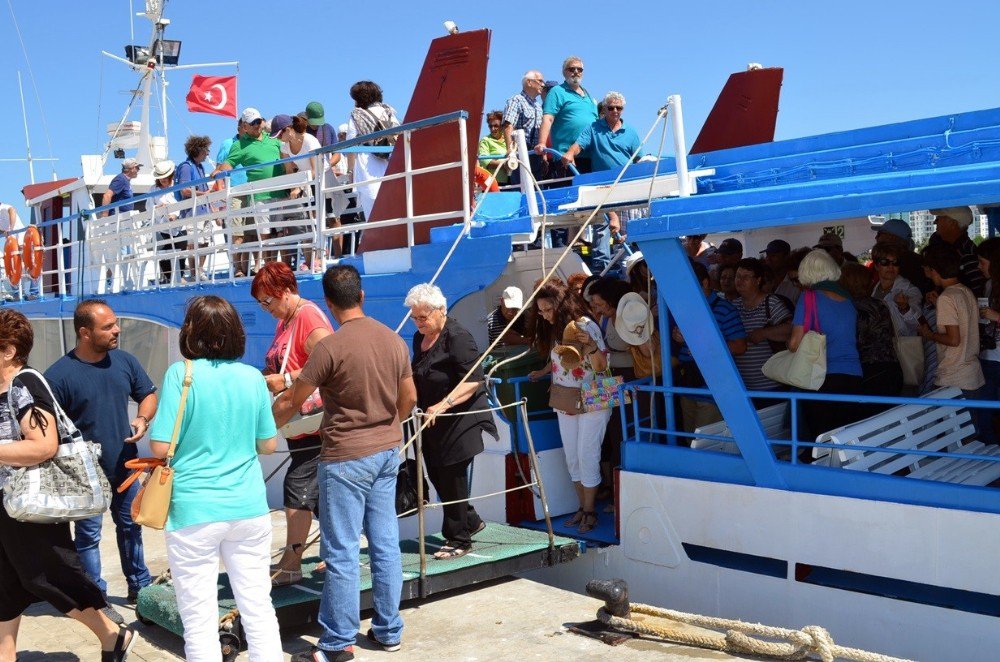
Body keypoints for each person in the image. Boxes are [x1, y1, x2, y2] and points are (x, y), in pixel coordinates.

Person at [274, 265, 415, 662]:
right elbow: (409, 400)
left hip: (344, 457)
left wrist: (262, 432)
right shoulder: (392, 340)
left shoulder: (330, 348)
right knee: (385, 544)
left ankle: (336, 643)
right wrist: (386, 425)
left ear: (330, 304)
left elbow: (292, 402)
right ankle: (388, 630)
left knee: (341, 552)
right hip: (387, 451)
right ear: (362, 296)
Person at [148, 296, 281, 661]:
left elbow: (160, 446)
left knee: (198, 616)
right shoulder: (253, 377)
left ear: (190, 332)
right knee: (257, 605)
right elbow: (268, 444)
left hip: (194, 508)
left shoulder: (182, 374)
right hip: (249, 506)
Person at [0, 310, 136, 662]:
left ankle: (112, 635)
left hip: (29, 505)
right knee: (6, 583)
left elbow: (43, 445)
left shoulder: (25, 384)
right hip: (6, 504)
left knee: (48, 576)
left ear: (9, 350)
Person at [45, 300, 158, 607]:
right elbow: (49, 433)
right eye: (108, 326)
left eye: (115, 323)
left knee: (132, 527)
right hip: (83, 476)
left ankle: (140, 587)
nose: (117, 329)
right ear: (84, 333)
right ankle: (97, 599)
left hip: (125, 466)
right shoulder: (58, 377)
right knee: (88, 538)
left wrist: (142, 419)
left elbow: (147, 394)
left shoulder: (125, 361)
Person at [253, 261, 333, 585]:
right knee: (320, 493)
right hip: (298, 421)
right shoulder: (286, 320)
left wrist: (284, 377)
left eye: (267, 301)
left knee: (297, 485)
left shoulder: (308, 316)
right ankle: (335, 555)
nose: (265, 309)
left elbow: (331, 360)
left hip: (316, 421)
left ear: (284, 291)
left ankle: (291, 563)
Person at [405, 284, 497, 559]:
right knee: (436, 476)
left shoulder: (458, 337)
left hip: (458, 421)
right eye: (415, 317)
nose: (419, 322)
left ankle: (459, 539)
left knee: (452, 477)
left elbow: (473, 380)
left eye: (423, 317)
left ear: (441, 310)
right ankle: (470, 520)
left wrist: (441, 406)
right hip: (431, 424)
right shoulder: (418, 338)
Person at [528, 281, 608, 533]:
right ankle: (583, 508)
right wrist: (543, 372)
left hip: (594, 396)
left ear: (560, 306)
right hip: (567, 398)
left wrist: (593, 346)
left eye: (548, 310)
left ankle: (590, 510)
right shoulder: (557, 330)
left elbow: (602, 366)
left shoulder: (584, 326)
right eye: (540, 311)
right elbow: (561, 362)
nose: (544, 315)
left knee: (587, 454)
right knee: (573, 457)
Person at [561, 92, 641, 272]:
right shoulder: (594, 128)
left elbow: (639, 159)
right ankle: (602, 270)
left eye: (618, 108)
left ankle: (627, 268)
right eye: (610, 107)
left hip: (626, 185)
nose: (614, 111)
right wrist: (570, 153)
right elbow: (579, 144)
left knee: (625, 230)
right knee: (602, 227)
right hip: (602, 185)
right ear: (604, 109)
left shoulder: (631, 132)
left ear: (623, 110)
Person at [789, 250, 862, 441]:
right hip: (853, 376)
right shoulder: (847, 300)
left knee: (820, 440)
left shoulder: (809, 297)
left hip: (822, 378)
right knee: (844, 438)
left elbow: (795, 343)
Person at [673, 261, 747, 432]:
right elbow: (687, 342)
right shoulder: (687, 309)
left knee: (704, 444)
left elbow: (740, 346)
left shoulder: (725, 309)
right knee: (690, 440)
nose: (684, 291)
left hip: (713, 392)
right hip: (689, 387)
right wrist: (678, 337)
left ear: (705, 283)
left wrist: (704, 347)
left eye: (688, 285)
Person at [211, 107, 285, 273]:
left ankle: (283, 267)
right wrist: (218, 171)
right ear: (244, 126)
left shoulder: (273, 138)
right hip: (260, 194)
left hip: (281, 191)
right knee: (263, 234)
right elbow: (229, 163)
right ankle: (269, 269)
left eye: (259, 121)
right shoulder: (239, 145)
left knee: (282, 233)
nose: (258, 125)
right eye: (253, 123)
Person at [587, 277, 636, 500]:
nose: (594, 308)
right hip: (609, 379)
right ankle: (610, 488)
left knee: (621, 431)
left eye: (598, 303)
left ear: (610, 300)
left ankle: (621, 496)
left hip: (627, 379)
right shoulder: (605, 319)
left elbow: (632, 351)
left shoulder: (626, 316)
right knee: (607, 433)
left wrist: (601, 353)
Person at [918, 244, 985, 400]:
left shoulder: (946, 298)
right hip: (972, 374)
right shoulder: (965, 291)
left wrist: (929, 334)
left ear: (934, 270)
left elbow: (953, 340)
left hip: (953, 378)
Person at [840, 261, 903, 409]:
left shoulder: (848, 307)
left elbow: (854, 341)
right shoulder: (880, 304)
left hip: (866, 372)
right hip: (891, 368)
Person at [732, 258, 792, 398]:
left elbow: (791, 329)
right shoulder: (733, 306)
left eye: (746, 277)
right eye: (738, 276)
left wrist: (764, 333)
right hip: (743, 389)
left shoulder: (770, 303)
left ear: (758, 280)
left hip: (772, 387)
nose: (739, 281)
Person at [535, 56, 598, 178]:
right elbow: (548, 118)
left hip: (590, 156)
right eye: (572, 69)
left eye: (579, 69)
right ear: (564, 72)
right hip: (565, 157)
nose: (576, 72)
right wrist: (542, 143)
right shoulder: (557, 92)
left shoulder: (588, 95)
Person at [346, 80, 400, 220]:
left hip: (368, 163)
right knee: (392, 207)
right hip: (391, 161)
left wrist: (351, 171)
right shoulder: (388, 111)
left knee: (373, 213)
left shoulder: (357, 115)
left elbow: (351, 144)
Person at [215, 119, 252, 277]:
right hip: (235, 192)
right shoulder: (227, 143)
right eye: (245, 125)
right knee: (236, 232)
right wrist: (221, 191)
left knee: (250, 233)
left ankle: (247, 266)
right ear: (240, 127)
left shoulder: (254, 143)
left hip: (252, 190)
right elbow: (219, 168)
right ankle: (237, 267)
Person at [175, 135, 214, 280]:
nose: (208, 153)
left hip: (204, 210)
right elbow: (184, 191)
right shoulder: (186, 167)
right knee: (193, 243)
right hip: (192, 212)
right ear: (197, 150)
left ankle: (200, 270)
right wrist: (204, 193)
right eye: (206, 150)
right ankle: (193, 273)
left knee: (205, 242)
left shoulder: (200, 167)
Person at [928, 207, 987, 297]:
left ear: (953, 223)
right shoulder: (953, 248)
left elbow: (977, 292)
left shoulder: (967, 253)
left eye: (939, 218)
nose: (935, 222)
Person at [975, 238, 1000, 444]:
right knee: (984, 408)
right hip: (988, 356)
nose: (979, 267)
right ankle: (988, 448)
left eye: (982, 262)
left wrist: (996, 316)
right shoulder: (989, 284)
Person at [503, 70, 546, 185]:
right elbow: (508, 125)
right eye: (540, 81)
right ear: (529, 82)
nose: (543, 84)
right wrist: (510, 151)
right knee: (521, 188)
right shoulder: (515, 100)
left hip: (535, 155)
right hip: (520, 153)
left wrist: (544, 156)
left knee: (537, 189)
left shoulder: (538, 106)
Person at [873, 218, 934, 294]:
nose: (876, 238)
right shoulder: (918, 260)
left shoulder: (902, 264)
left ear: (890, 237)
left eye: (879, 234)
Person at [150, 160, 185, 285]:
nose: (162, 180)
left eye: (165, 177)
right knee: (164, 253)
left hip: (178, 226)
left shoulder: (176, 187)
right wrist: (158, 208)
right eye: (160, 178)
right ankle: (169, 278)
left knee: (180, 251)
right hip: (162, 226)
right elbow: (149, 205)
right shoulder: (153, 189)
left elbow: (180, 202)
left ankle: (180, 277)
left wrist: (174, 214)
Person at [761, 239, 800, 303]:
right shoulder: (761, 280)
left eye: (773, 256)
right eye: (767, 255)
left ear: (786, 257)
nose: (768, 259)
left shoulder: (795, 284)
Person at [478, 110, 510, 186]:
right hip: (493, 183)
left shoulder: (508, 139)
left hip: (511, 182)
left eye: (496, 126)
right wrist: (506, 165)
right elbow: (485, 162)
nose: (493, 129)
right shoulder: (485, 140)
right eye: (490, 126)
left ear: (502, 126)